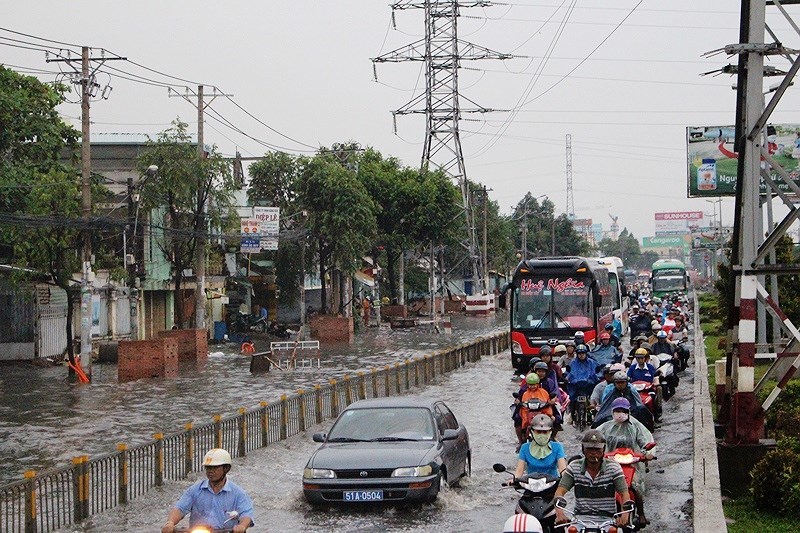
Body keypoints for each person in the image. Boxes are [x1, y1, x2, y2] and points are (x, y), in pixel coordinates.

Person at [162, 448, 254, 533]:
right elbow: (180, 508)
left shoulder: (239, 493)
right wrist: (170, 523)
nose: (210, 471)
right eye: (208, 468)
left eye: (215, 467)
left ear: (226, 468)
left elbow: (246, 514)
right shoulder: (195, 490)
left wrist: (241, 526)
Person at [553, 430, 632, 528]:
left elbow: (624, 493)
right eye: (589, 449)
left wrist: (625, 515)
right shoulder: (574, 467)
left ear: (603, 449)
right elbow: (560, 491)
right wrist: (560, 513)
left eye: (597, 449)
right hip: (580, 519)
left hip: (607, 520)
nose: (593, 453)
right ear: (583, 449)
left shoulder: (614, 468)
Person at [596, 398, 655, 528]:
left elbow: (643, 442)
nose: (620, 413)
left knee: (635, 485)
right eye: (617, 410)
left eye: (623, 410)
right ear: (612, 411)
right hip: (610, 462)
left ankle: (641, 513)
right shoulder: (606, 427)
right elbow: (596, 438)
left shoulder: (635, 427)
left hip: (631, 463)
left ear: (628, 411)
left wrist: (647, 453)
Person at [512, 414, 567, 480]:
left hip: (553, 485)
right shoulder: (525, 448)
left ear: (550, 432)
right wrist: (514, 479)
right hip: (531, 485)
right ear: (532, 431)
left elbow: (562, 469)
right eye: (538, 431)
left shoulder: (557, 447)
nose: (541, 434)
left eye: (545, 432)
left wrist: (566, 478)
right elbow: (519, 471)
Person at [628, 348, 662, 421]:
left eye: (641, 358)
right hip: (634, 390)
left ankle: (655, 417)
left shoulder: (650, 368)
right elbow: (628, 378)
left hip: (648, 390)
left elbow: (655, 378)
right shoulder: (632, 368)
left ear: (645, 358)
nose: (639, 360)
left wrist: (656, 384)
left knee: (653, 398)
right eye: (637, 358)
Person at [566, 344, 598, 414]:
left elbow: (596, 373)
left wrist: (594, 378)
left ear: (586, 353)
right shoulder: (573, 362)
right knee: (571, 400)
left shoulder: (591, 362)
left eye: (583, 353)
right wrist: (569, 378)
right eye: (579, 353)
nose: (581, 355)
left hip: (589, 386)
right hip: (576, 386)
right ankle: (571, 414)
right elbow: (569, 373)